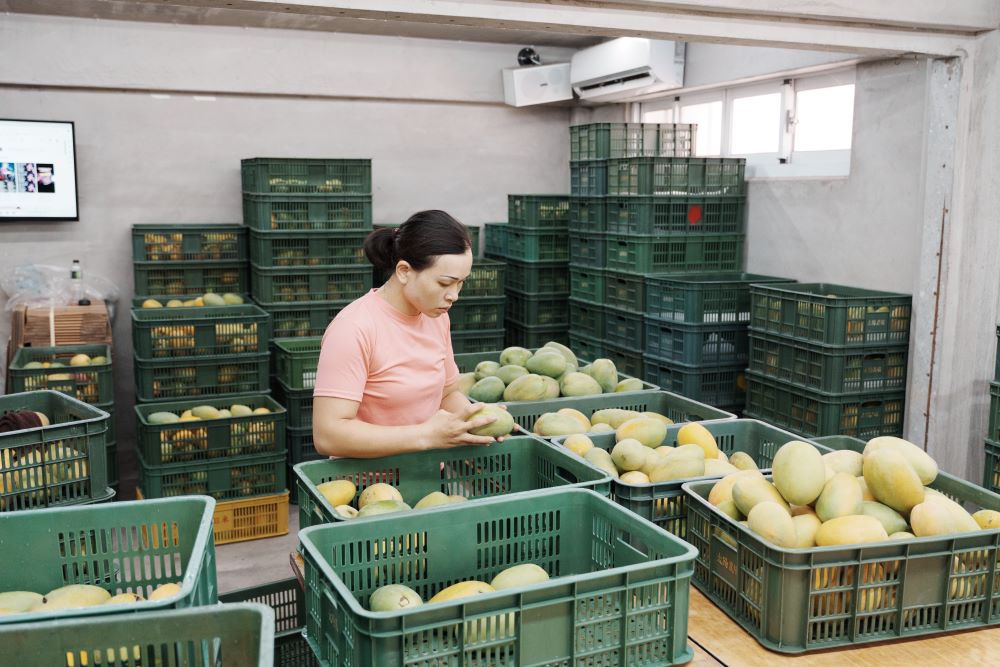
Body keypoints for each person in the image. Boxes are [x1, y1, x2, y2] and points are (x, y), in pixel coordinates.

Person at [312, 209, 500, 458]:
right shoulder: (354, 328)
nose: (454, 295)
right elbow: (328, 435)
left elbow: (447, 395)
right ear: (403, 271)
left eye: (461, 283)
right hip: (366, 489)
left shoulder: (437, 317)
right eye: (444, 283)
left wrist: (480, 423)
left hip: (428, 475)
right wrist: (426, 435)